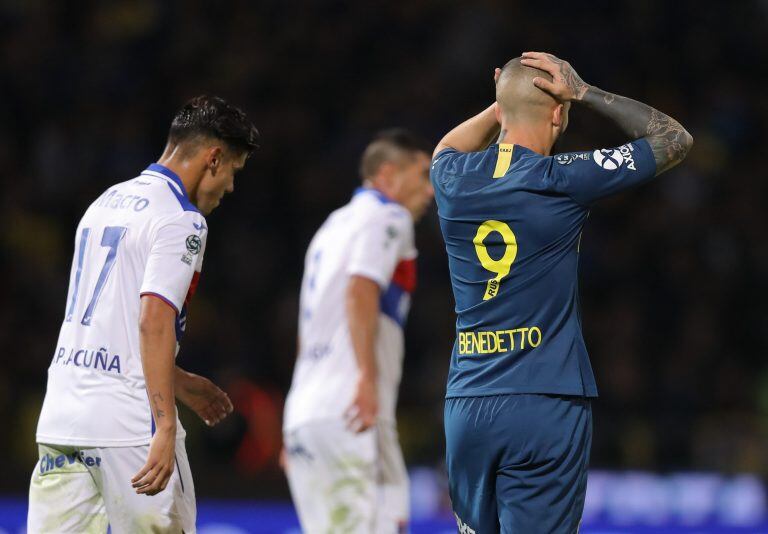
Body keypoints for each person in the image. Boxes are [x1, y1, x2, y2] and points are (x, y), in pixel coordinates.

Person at [431, 52, 693, 533]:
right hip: (545, 402)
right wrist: (584, 91)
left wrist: (503, 103)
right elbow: (674, 139)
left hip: (468, 404)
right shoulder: (563, 179)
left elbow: (445, 146)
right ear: (558, 113)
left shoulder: (451, 180)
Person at [28, 95, 259, 533]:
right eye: (233, 171)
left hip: (62, 416)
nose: (229, 187)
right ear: (214, 157)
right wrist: (166, 424)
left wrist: (180, 380)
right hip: (128, 428)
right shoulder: (181, 220)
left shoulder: (105, 202)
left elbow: (107, 328)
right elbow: (153, 319)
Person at [282, 129, 434, 533]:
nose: (430, 190)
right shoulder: (389, 216)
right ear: (387, 174)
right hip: (352, 410)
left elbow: (309, 326)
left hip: (308, 411)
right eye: (422, 175)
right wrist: (366, 378)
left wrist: (298, 408)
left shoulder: (332, 227)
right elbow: (361, 290)